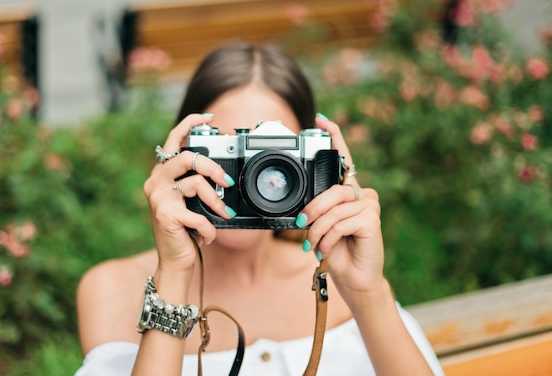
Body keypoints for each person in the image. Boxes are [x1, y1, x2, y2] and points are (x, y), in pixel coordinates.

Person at [75, 42, 444, 376]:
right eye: (232, 150)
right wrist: (174, 274)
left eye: (277, 156)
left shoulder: (345, 284)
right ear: (183, 153)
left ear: (315, 165)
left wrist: (366, 292)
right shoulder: (111, 290)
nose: (257, 177)